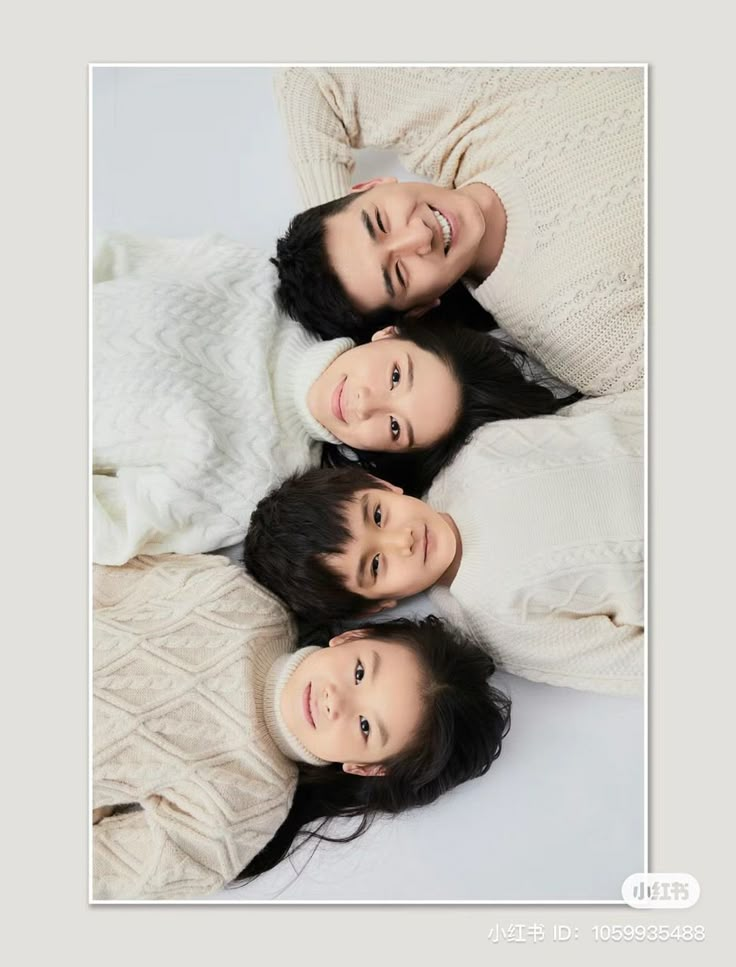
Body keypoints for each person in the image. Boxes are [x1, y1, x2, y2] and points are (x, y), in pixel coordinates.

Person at [93, 232, 576, 563]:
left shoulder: (255, 489)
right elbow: (111, 255)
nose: (366, 405)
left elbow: (108, 527)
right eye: (394, 376)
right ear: (388, 335)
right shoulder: (261, 280)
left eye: (393, 428)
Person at [92, 554, 510, 900]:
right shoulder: (239, 600)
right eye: (360, 672)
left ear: (365, 767)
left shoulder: (250, 804)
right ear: (352, 637)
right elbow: (103, 576)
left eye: (365, 726)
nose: (337, 701)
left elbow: (114, 872)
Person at [271, 66, 645, 397]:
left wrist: (325, 222)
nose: (419, 236)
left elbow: (308, 76)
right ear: (421, 307)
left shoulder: (455, 117)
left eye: (380, 222)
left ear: (371, 186)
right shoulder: (573, 326)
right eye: (399, 274)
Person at [244, 390, 644, 696]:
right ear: (377, 605)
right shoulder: (494, 624)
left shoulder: (478, 452)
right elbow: (625, 664)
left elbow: (595, 422)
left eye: (378, 515)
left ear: (382, 485)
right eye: (376, 565)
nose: (403, 540)